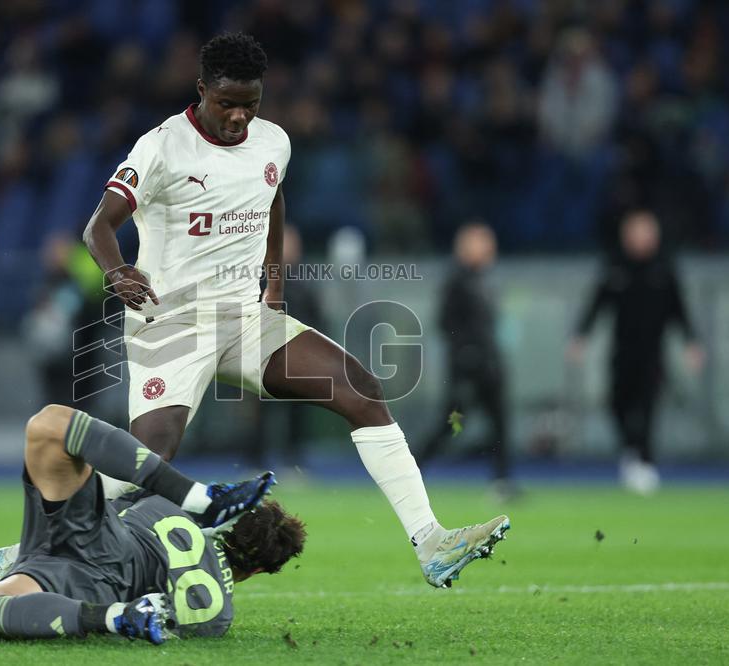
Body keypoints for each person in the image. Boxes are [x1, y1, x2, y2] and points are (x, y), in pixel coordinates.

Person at [81, 32, 509, 588]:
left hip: (244, 318)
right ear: (201, 89)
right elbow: (98, 227)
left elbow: (273, 196)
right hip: (173, 321)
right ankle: (30, 547)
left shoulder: (273, 143)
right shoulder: (161, 147)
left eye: (250, 104)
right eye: (226, 103)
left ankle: (431, 541)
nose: (238, 117)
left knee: (360, 388)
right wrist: (118, 272)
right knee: (150, 457)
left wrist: (274, 285)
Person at [0, 405, 293, 643]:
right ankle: (114, 617)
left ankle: (200, 497)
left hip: (101, 540)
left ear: (227, 528)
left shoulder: (168, 510)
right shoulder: (218, 616)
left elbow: (115, 498)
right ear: (258, 570)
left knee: (50, 424)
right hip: (94, 586)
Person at [569, 210, 704, 494]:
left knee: (648, 406)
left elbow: (679, 309)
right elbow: (597, 303)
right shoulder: (615, 267)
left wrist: (691, 341)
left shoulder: (664, 268)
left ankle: (645, 461)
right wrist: (581, 335)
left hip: (653, 353)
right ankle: (631, 450)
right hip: (622, 351)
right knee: (617, 402)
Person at [417, 223, 516, 499]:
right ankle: (413, 466)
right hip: (466, 369)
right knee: (451, 422)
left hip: (489, 365)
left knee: (499, 424)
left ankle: (502, 480)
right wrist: (466, 352)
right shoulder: (457, 282)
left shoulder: (483, 280)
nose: (488, 248)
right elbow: (444, 322)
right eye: (481, 242)